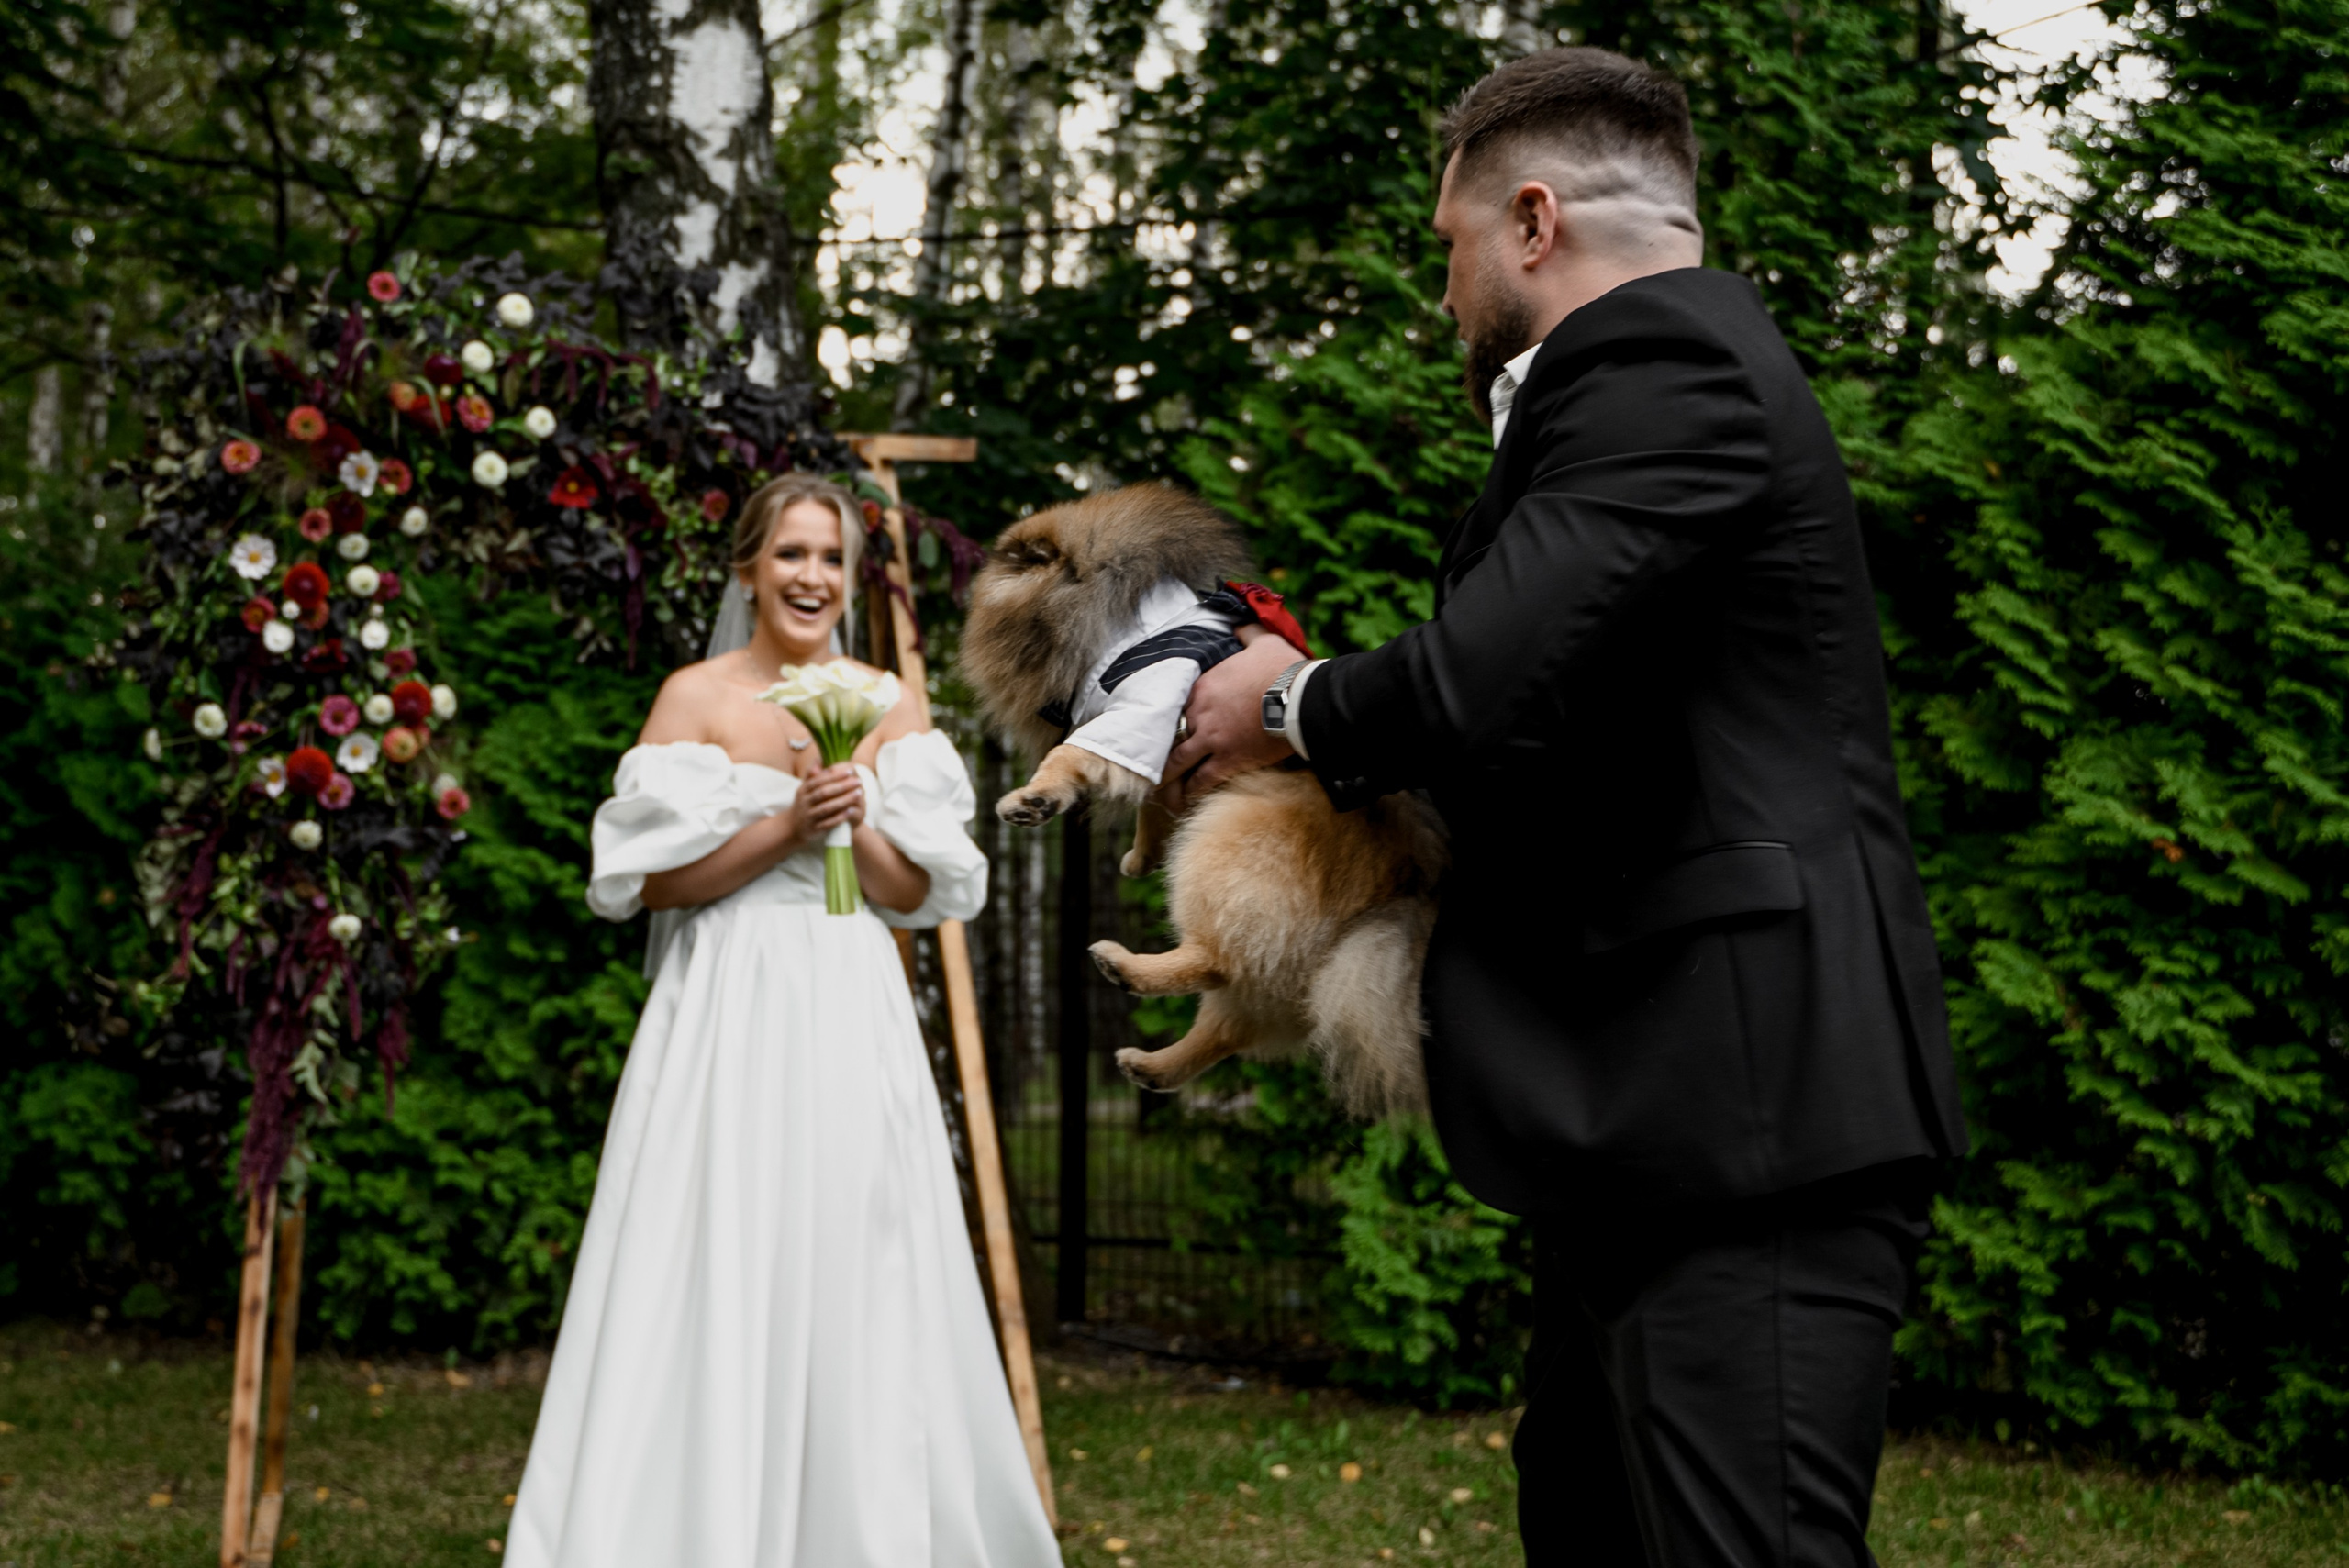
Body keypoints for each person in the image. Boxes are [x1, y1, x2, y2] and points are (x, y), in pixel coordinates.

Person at [1174, 47, 1968, 1568]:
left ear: (1532, 220)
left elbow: (1481, 671)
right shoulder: (1640, 394)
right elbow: (1535, 726)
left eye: (1451, 247)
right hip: (1661, 1121)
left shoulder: (1670, 361)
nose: (1447, 291)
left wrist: (1288, 697)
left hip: (1750, 1122)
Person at [507, 474, 1059, 1568]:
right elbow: (651, 887)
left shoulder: (888, 699)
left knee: (858, 1240)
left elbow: (913, 891)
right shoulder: (696, 699)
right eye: (791, 554)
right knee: (710, 1238)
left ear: (849, 580)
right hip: (724, 1005)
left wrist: (854, 810)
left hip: (848, 1000)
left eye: (830, 560)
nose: (811, 577)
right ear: (749, 567)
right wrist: (784, 827)